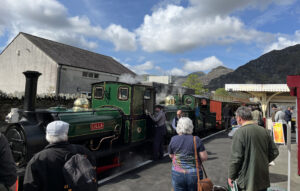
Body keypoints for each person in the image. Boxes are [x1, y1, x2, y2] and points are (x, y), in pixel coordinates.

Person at [23, 121, 96, 191]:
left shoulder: (38, 159)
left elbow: (30, 187)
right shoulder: (83, 151)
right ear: (66, 134)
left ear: (47, 136)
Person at [228, 106, 279, 191]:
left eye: (236, 118)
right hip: (262, 177)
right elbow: (274, 151)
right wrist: (264, 161)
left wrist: (231, 176)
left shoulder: (240, 133)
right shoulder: (264, 131)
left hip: (246, 180)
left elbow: (236, 159)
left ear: (240, 118)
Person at [169, 117, 208, 191]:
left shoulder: (173, 139)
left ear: (178, 127)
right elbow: (204, 157)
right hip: (194, 173)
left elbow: (171, 155)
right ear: (191, 126)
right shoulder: (196, 139)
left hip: (177, 173)